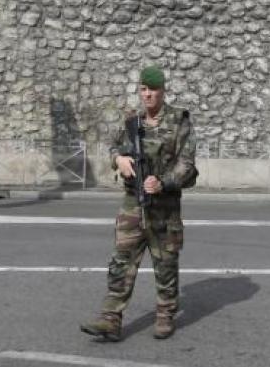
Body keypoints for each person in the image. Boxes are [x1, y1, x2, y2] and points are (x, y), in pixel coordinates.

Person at [80, 65, 197, 342]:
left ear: (163, 90)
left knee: (165, 263)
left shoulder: (179, 122)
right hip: (132, 204)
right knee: (122, 261)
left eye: (153, 90)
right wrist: (118, 160)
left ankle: (165, 313)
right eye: (143, 89)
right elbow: (113, 148)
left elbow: (188, 166)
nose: (147, 95)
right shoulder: (133, 122)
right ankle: (110, 318)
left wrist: (164, 182)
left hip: (164, 208)